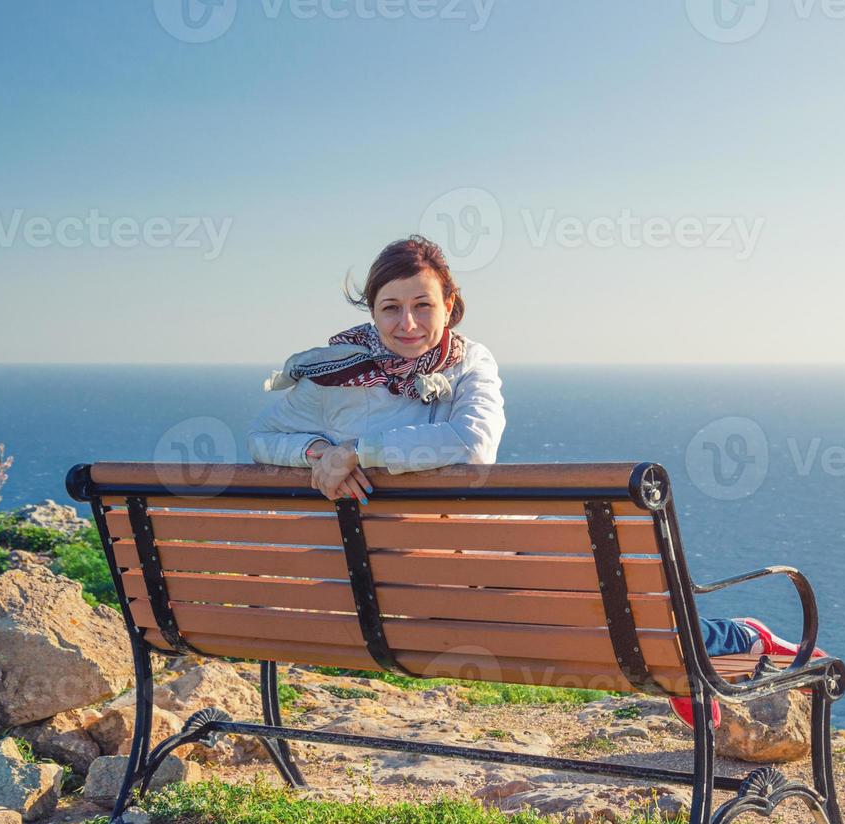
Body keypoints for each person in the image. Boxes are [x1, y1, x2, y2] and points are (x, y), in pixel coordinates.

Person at [248, 235, 811, 729]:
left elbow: (473, 447)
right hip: (440, 585)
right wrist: (317, 450)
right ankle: (728, 643)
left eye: (423, 306)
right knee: (602, 601)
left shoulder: (469, 363)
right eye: (390, 308)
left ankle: (694, 659)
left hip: (404, 590)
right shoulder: (334, 373)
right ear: (371, 310)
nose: (408, 323)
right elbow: (266, 437)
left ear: (451, 308)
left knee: (586, 590)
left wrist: (351, 452)